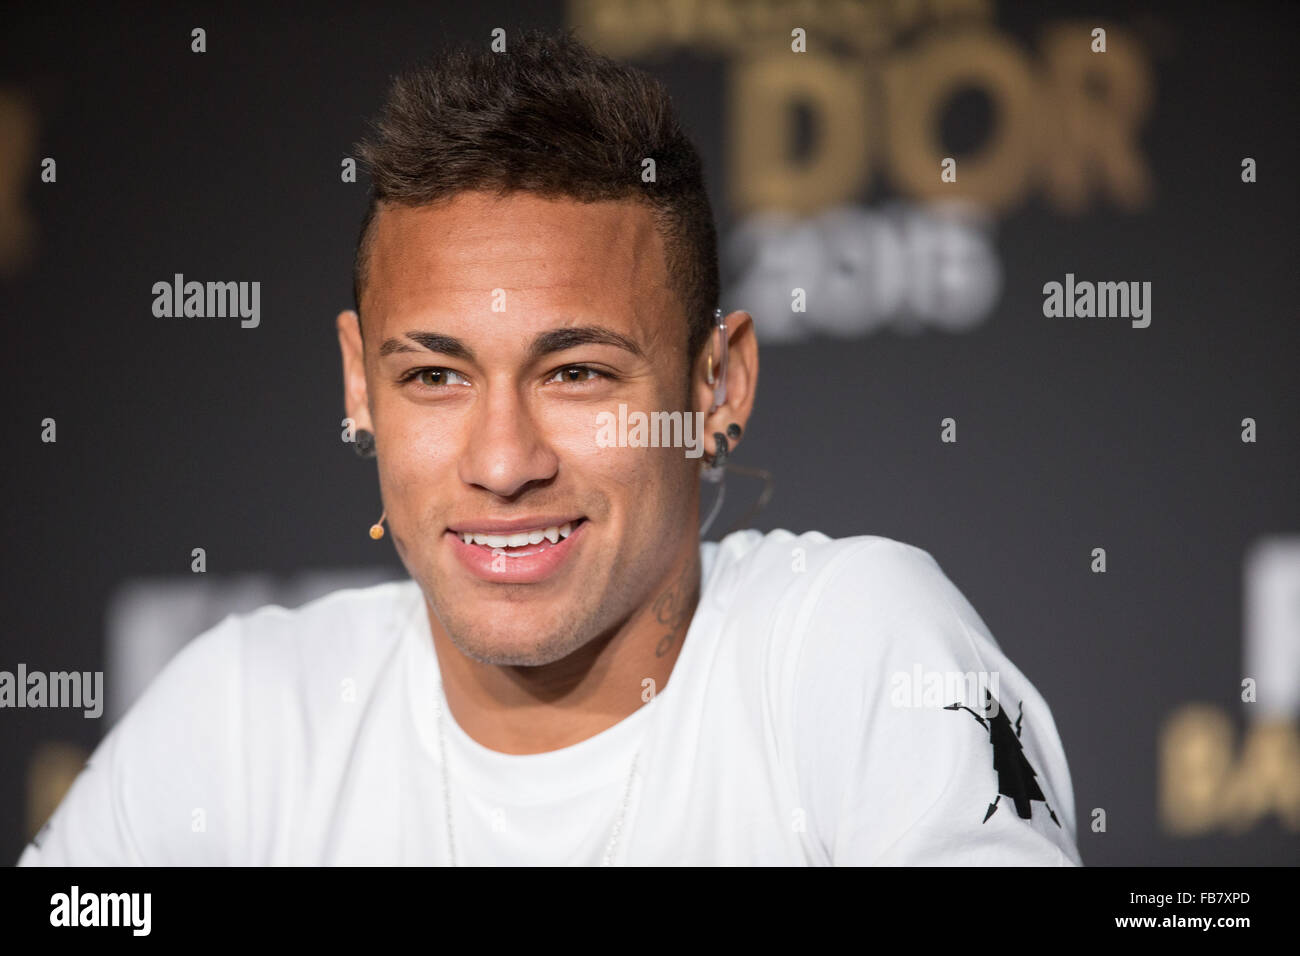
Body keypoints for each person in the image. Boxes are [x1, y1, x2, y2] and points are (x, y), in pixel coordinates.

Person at [19, 28, 1081, 866]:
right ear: (358, 384)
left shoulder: (854, 646)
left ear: (719, 384)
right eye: (434, 374)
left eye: (576, 371)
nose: (502, 459)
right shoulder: (243, 717)